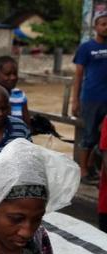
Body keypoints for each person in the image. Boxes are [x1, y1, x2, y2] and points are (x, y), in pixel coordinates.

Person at [72, 11, 107, 184]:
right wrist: (75, 100)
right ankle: (83, 170)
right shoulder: (86, 47)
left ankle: (93, 167)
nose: (106, 27)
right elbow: (78, 75)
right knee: (89, 135)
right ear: (96, 27)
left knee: (103, 136)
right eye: (103, 24)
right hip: (91, 98)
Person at [0, 56, 30, 127]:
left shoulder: (19, 95)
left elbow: (27, 124)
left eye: (15, 74)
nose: (13, 77)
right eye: (8, 74)